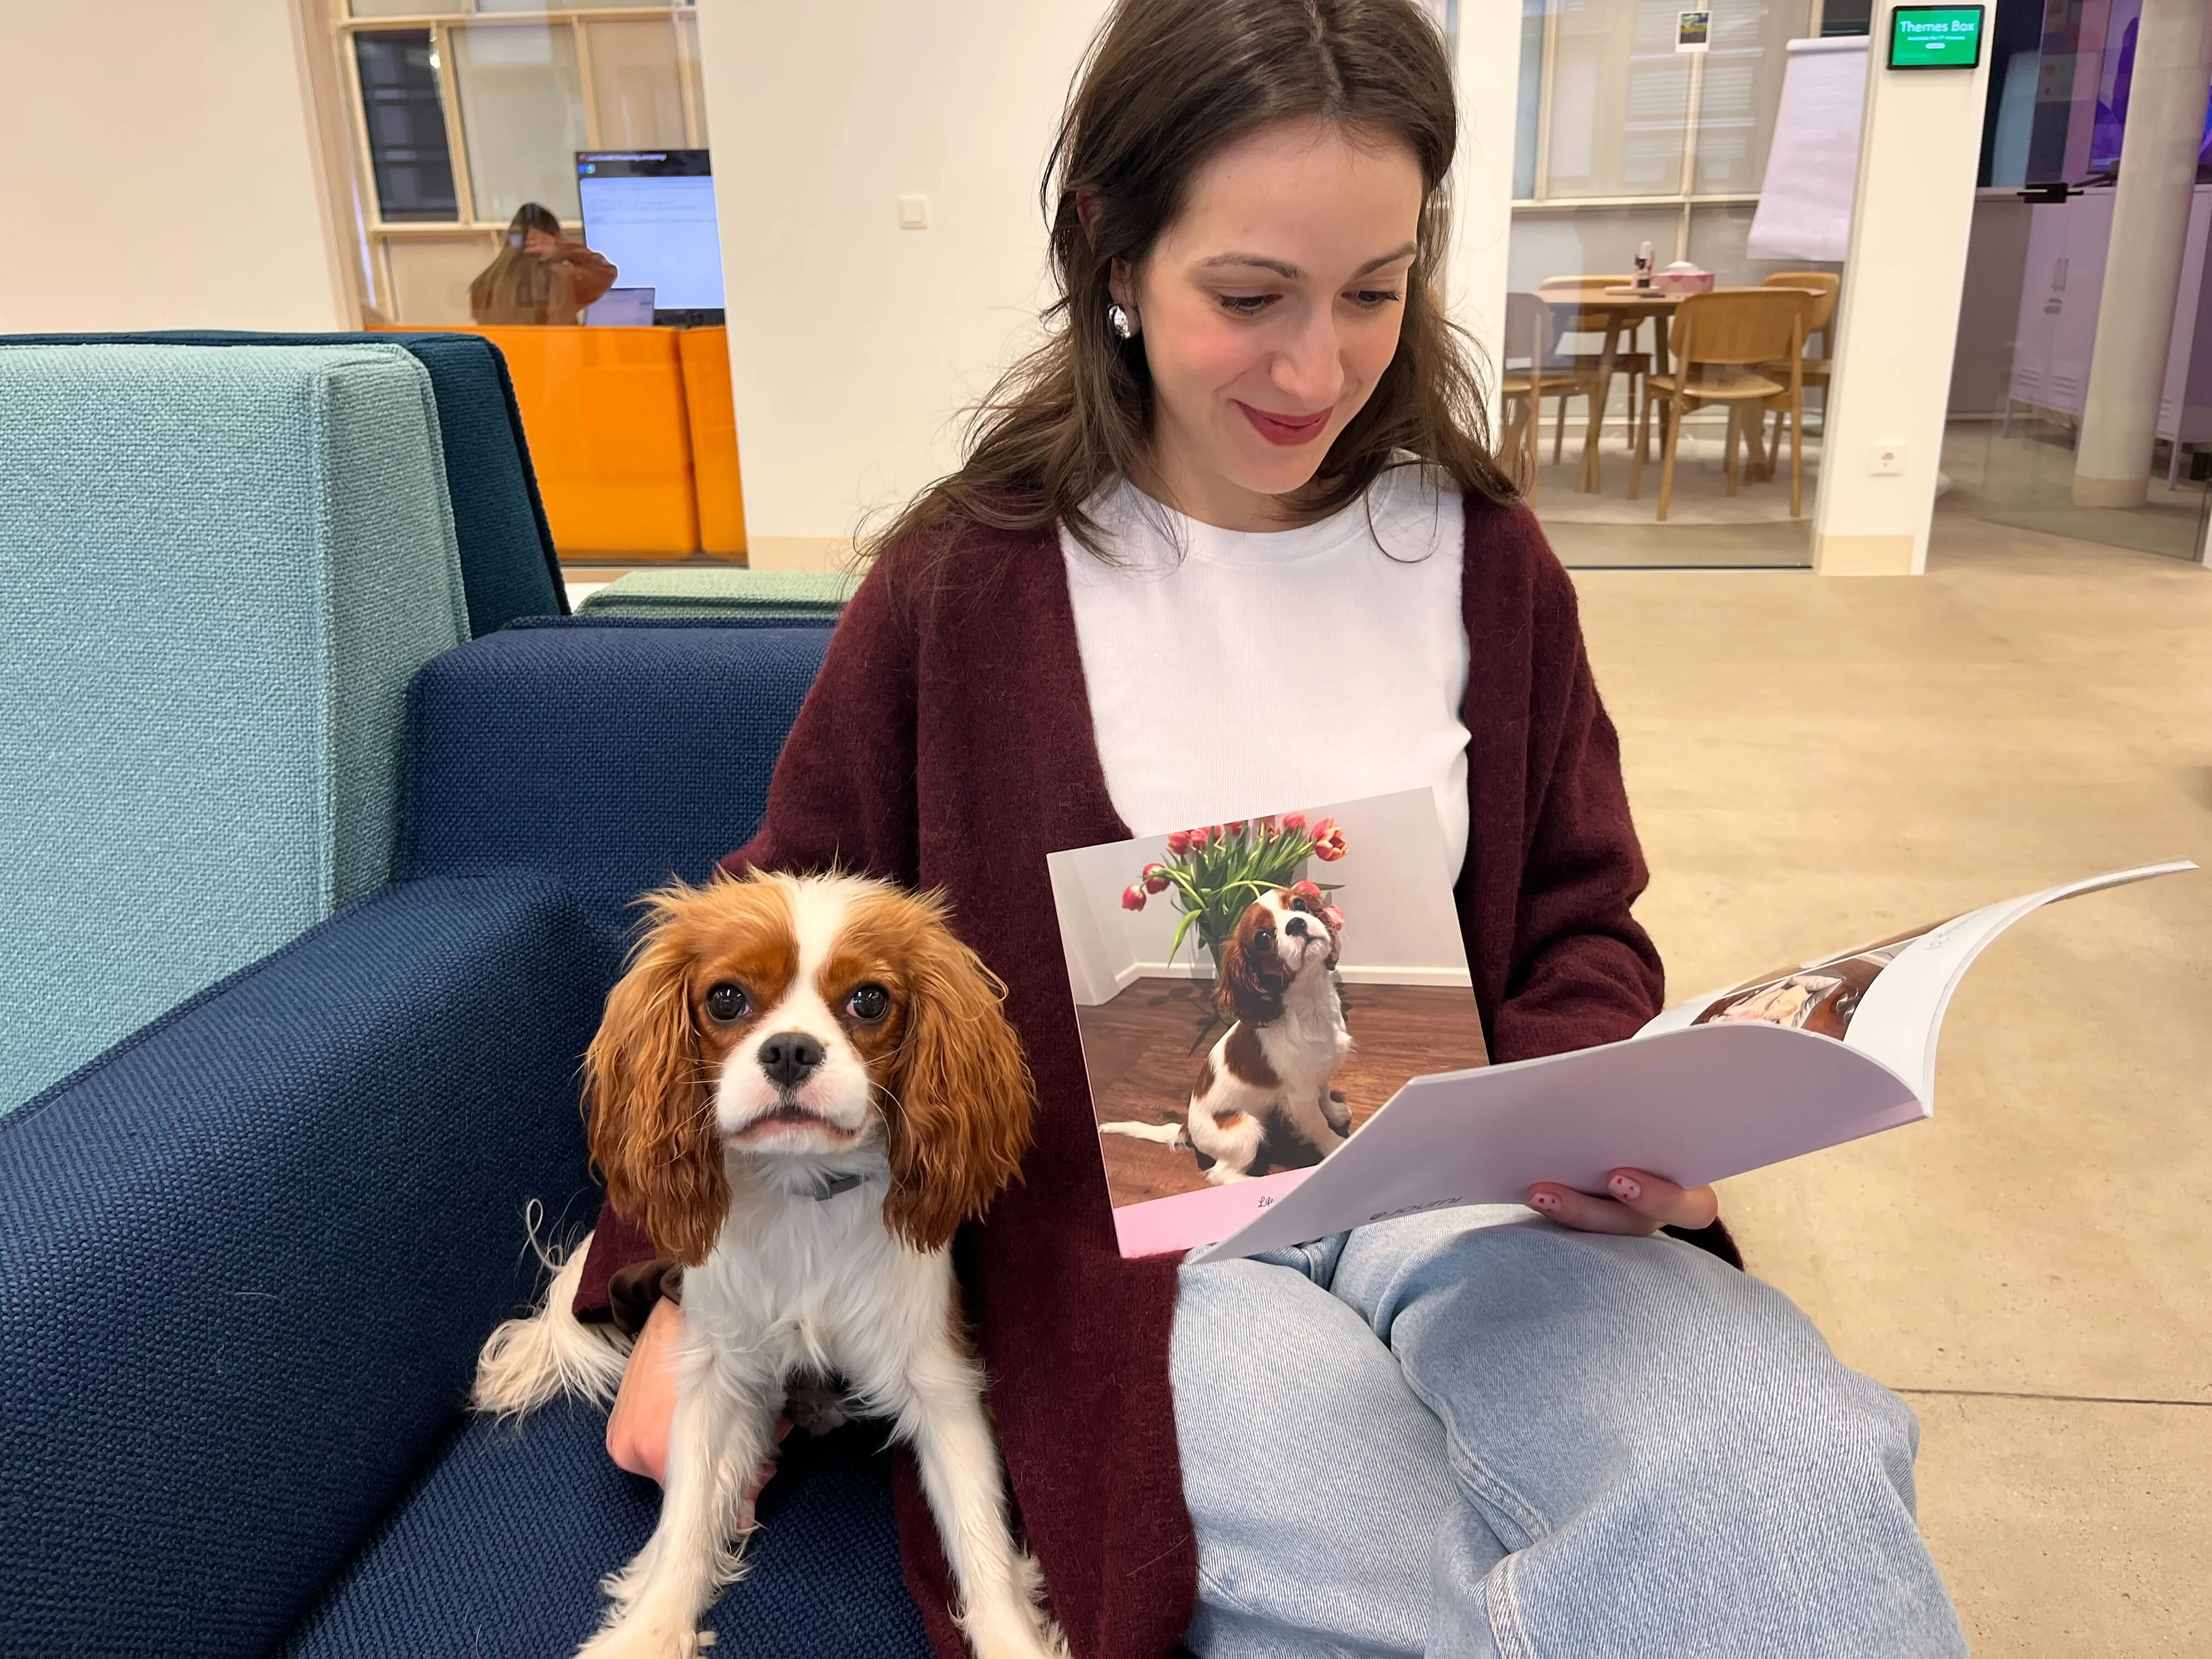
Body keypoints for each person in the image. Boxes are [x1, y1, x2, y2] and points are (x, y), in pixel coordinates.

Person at [573, 1, 1969, 1653]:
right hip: (1147, 1261)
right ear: (1110, 247)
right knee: (1378, 1570)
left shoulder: (1482, 559)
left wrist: (1605, 1102)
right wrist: (678, 1274)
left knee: (1781, 1459)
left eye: (1375, 291)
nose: (1319, 367)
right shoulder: (967, 584)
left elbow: (1581, 918)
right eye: (1250, 298)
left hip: (1473, 1202)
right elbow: (780, 912)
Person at [467, 202, 617, 325]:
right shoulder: (561, 277)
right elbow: (606, 272)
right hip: (556, 360)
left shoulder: (483, 283)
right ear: (555, 237)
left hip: (506, 361)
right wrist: (561, 247)